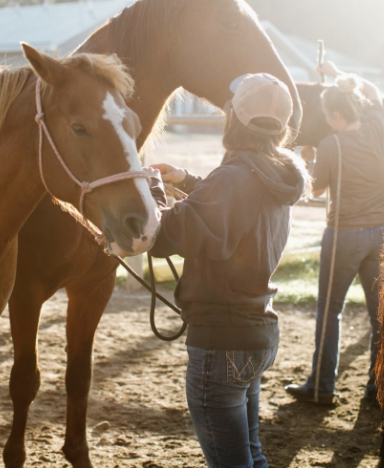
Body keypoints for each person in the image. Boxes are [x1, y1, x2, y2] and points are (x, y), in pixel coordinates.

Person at [145, 73, 309, 468]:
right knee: (251, 455)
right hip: (257, 334)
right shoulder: (275, 173)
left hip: (221, 341)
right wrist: (186, 180)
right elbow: (231, 200)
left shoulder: (233, 178)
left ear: (234, 118)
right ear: (283, 127)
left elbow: (167, 237)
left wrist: (151, 193)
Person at [284, 60, 384, 404]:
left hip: (345, 234)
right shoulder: (378, 125)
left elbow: (315, 189)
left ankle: (321, 386)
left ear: (333, 116)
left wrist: (308, 159)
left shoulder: (332, 144)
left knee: (330, 310)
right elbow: (372, 91)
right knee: (380, 314)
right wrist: (337, 74)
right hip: (383, 232)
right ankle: (379, 385)